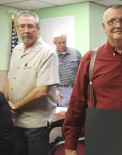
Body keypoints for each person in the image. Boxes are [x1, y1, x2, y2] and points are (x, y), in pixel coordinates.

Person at [63, 4, 122, 155]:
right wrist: (70, 145)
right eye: (111, 21)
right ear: (103, 26)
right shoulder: (90, 59)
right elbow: (77, 103)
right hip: (102, 137)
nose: (118, 25)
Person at [3, 11, 59, 155]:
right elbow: (9, 80)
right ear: (16, 28)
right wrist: (4, 105)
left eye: (30, 26)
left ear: (38, 28)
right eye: (21, 26)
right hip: (15, 120)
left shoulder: (48, 53)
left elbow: (42, 90)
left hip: (35, 122)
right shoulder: (16, 50)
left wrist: (14, 107)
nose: (26, 31)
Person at [53, 30, 82, 107]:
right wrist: (54, 90)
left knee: (79, 111)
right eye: (59, 43)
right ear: (54, 43)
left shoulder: (75, 53)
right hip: (62, 91)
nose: (62, 45)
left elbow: (83, 72)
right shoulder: (52, 56)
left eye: (64, 42)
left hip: (77, 89)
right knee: (64, 116)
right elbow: (50, 76)